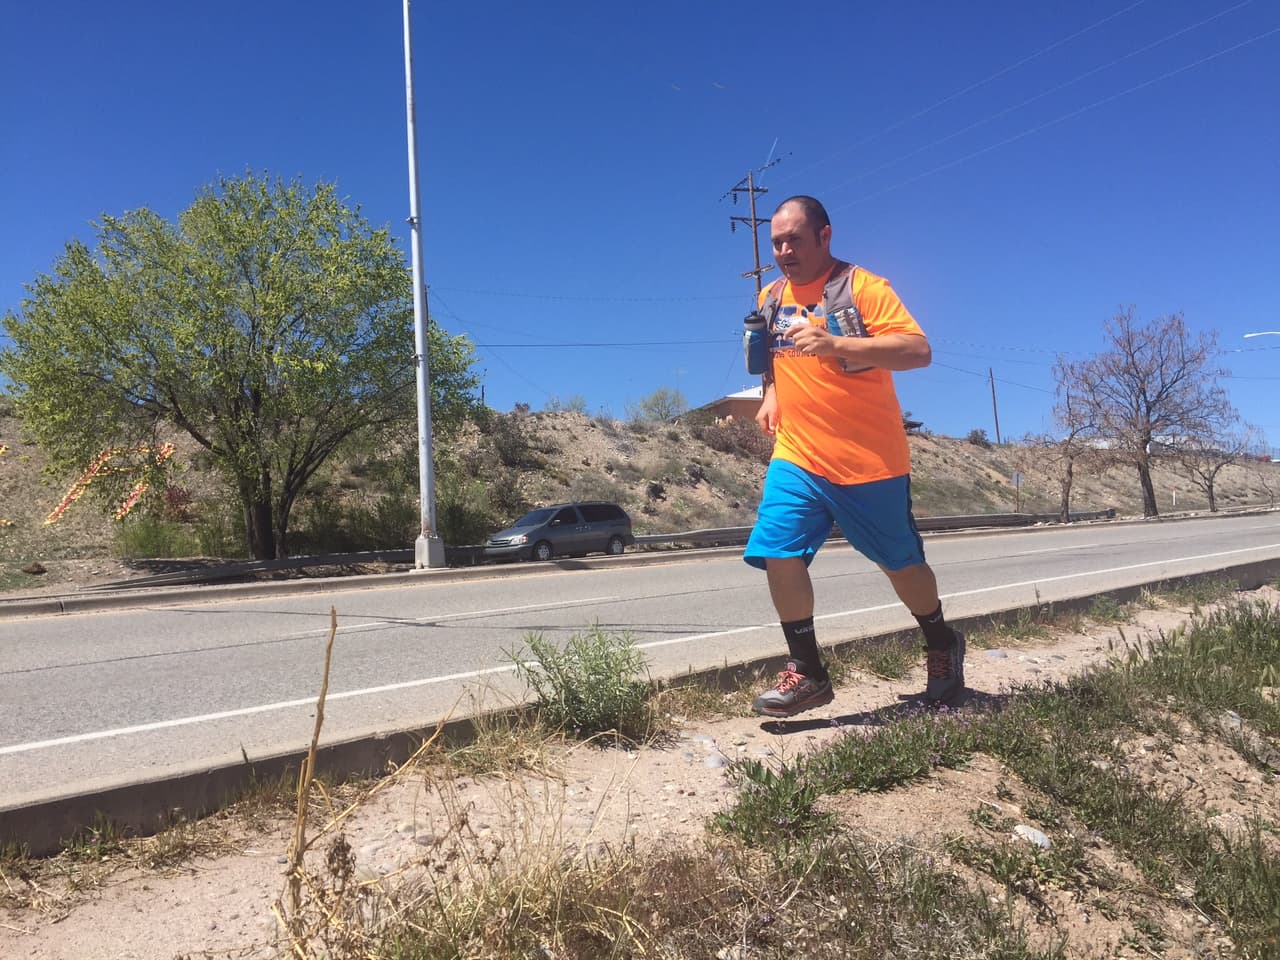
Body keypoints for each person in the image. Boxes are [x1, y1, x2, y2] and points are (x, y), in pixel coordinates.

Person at [744, 195, 964, 717]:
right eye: (777, 241)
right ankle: (809, 673)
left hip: (870, 461)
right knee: (778, 550)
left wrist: (839, 345)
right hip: (797, 454)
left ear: (824, 236)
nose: (783, 250)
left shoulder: (863, 287)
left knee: (902, 566)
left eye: (794, 238)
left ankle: (940, 640)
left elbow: (917, 350)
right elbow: (773, 355)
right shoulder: (771, 294)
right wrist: (771, 392)